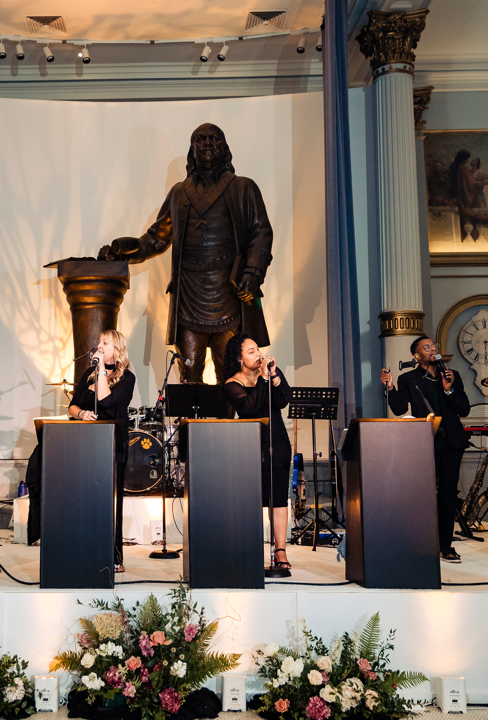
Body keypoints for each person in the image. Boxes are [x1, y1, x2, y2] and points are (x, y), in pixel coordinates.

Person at [98, 123, 273, 384]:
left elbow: (261, 232)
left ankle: (227, 413)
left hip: (228, 292)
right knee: (189, 374)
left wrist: (253, 272)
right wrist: (121, 250)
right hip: (189, 296)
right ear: (192, 149)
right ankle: (193, 413)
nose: (207, 143)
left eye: (214, 138)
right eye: (200, 139)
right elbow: (156, 239)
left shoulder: (243, 188)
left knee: (230, 375)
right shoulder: (179, 194)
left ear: (224, 147)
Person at [380, 335, 471, 564]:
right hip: (426, 442)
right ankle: (422, 544)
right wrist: (390, 387)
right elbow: (399, 409)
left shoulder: (450, 375)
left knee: (448, 494)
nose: (433, 349)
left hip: (451, 443)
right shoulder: (409, 379)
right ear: (416, 355)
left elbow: (464, 409)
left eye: (434, 346)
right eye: (427, 347)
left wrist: (449, 390)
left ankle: (445, 546)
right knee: (425, 494)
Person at [65, 330, 136, 573]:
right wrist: (81, 414)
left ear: (117, 349)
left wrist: (102, 370)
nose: (99, 345)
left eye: (105, 342)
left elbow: (106, 401)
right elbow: (72, 405)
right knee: (85, 497)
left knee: (112, 501)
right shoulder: (88, 374)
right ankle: (85, 550)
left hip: (113, 443)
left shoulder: (127, 377)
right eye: (98, 342)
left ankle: (114, 556)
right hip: (87, 442)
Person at [221, 333, 293, 570]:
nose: (258, 354)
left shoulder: (270, 373)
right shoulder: (232, 383)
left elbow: (283, 400)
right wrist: (262, 379)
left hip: (278, 441)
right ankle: (248, 548)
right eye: (250, 351)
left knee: (278, 498)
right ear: (239, 358)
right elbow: (250, 408)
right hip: (250, 444)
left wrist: (275, 376)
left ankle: (280, 551)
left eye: (258, 349)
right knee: (251, 498)